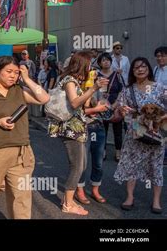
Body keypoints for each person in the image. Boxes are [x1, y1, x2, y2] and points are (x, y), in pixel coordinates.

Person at [0, 56, 50, 219]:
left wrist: (26, 79)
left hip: (21, 152)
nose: (13, 76)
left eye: (16, 72)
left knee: (22, 197)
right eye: (8, 72)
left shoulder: (19, 90)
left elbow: (44, 98)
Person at [48, 51, 109, 216]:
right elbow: (75, 103)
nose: (92, 67)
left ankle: (68, 200)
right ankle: (68, 203)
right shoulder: (69, 80)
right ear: (82, 64)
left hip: (77, 128)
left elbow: (84, 104)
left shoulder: (76, 81)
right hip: (70, 128)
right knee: (77, 166)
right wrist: (94, 87)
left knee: (80, 165)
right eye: (90, 63)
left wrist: (91, 86)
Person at [114, 57, 166, 214]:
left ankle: (156, 201)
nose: (140, 69)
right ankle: (130, 197)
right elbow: (120, 110)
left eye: (143, 66)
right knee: (131, 165)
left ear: (148, 69)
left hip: (156, 134)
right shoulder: (128, 90)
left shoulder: (160, 87)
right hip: (135, 133)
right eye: (136, 67)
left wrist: (160, 119)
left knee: (156, 167)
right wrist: (121, 111)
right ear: (133, 71)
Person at [97, 53, 124, 162]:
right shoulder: (96, 75)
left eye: (108, 60)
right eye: (103, 60)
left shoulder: (117, 75)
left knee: (118, 131)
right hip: (102, 106)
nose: (106, 62)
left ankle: (118, 152)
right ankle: (103, 151)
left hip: (115, 106)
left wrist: (115, 104)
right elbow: (93, 91)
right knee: (103, 130)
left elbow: (122, 91)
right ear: (99, 63)